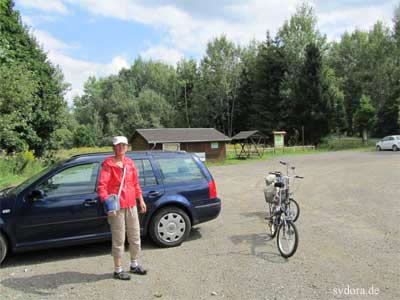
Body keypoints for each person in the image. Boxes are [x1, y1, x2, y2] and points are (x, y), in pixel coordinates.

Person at [97, 136, 147, 280]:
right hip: (117, 207)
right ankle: (118, 270)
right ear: (114, 148)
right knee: (119, 239)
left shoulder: (130, 163)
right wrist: (109, 204)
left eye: (123, 145)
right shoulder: (108, 164)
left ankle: (134, 264)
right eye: (118, 145)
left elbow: (136, 183)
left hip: (131, 204)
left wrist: (141, 200)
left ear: (127, 147)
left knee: (135, 236)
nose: (121, 147)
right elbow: (102, 187)